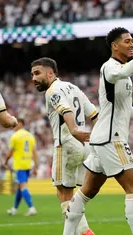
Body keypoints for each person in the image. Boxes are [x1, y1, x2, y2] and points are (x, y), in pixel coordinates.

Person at [63, 27, 133, 235]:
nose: (132, 44)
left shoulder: (121, 72)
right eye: (127, 41)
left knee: (87, 191)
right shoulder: (110, 67)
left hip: (102, 139)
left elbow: (121, 109)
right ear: (115, 46)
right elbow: (126, 71)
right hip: (110, 139)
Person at [31, 57, 97, 235]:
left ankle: (85, 232)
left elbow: (64, 109)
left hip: (66, 144)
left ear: (50, 73)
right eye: (32, 74)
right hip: (84, 147)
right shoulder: (74, 88)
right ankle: (80, 231)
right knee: (69, 194)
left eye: (37, 73)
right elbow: (94, 113)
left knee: (63, 193)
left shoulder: (52, 90)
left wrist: (74, 129)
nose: (33, 78)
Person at [5, 118, 38, 216]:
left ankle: (31, 208)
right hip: (28, 164)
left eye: (15, 124)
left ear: (20, 124)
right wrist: (36, 165)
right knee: (20, 187)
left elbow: (10, 152)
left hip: (19, 165)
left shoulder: (15, 136)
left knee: (23, 187)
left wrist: (6, 161)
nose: (13, 126)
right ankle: (14, 209)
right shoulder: (30, 136)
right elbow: (34, 152)